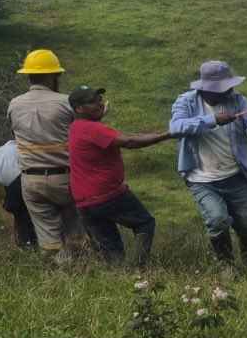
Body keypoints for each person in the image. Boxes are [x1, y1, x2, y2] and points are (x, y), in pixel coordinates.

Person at [169, 61, 247, 276]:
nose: (229, 90)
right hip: (201, 178)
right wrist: (212, 120)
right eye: (223, 87)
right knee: (218, 220)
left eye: (229, 85)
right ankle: (227, 265)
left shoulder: (238, 100)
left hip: (235, 175)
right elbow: (176, 127)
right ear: (206, 87)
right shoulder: (187, 101)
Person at [67, 85, 173, 268]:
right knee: (145, 223)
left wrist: (157, 136)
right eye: (93, 101)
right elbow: (129, 142)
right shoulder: (92, 128)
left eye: (99, 99)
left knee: (110, 249)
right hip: (107, 194)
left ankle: (120, 278)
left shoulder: (76, 127)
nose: (100, 104)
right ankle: (137, 269)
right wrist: (167, 135)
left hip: (84, 201)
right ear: (79, 108)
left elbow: (124, 136)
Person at [7, 49, 84, 263]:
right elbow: (82, 133)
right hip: (66, 178)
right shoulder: (65, 102)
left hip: (31, 181)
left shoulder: (14, 104)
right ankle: (80, 267)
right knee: (75, 228)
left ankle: (57, 271)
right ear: (53, 76)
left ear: (28, 75)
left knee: (48, 237)